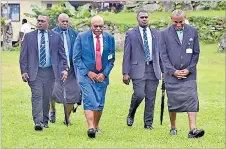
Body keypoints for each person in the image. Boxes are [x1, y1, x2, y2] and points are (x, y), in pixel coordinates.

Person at [160, 9, 205, 138]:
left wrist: (189, 69)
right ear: (171, 20)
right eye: (176, 22)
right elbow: (163, 55)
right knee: (173, 101)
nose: (178, 25)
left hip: (189, 74)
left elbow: (196, 53)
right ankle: (173, 127)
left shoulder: (193, 31)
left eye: (181, 22)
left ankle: (193, 129)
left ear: (185, 19)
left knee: (192, 99)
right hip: (171, 74)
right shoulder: (163, 34)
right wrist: (173, 71)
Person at [19, 14, 69, 131]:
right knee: (37, 96)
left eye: (42, 21)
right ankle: (38, 121)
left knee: (46, 97)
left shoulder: (56, 37)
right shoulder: (29, 36)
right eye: (38, 21)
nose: (39, 23)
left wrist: (65, 69)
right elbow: (23, 56)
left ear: (48, 23)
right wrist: (24, 71)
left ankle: (45, 120)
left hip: (50, 72)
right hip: (34, 72)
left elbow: (62, 55)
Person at [73, 15, 115, 138]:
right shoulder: (81, 37)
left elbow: (111, 59)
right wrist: (88, 72)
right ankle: (90, 127)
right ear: (91, 26)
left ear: (103, 26)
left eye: (100, 26)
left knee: (99, 102)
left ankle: (96, 126)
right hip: (86, 75)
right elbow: (76, 58)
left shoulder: (109, 38)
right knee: (89, 99)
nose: (97, 28)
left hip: (102, 76)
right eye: (95, 26)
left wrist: (104, 73)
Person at [122, 9, 162, 130]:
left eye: (146, 17)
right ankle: (131, 113)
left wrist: (164, 70)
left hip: (153, 69)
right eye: (142, 17)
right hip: (137, 69)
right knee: (139, 94)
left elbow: (160, 53)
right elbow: (127, 54)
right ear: (137, 19)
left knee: (151, 98)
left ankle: (148, 124)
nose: (144, 19)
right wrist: (125, 72)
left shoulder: (156, 33)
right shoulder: (131, 34)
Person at [49, 13, 81, 125]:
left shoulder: (75, 34)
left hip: (72, 68)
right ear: (58, 22)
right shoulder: (52, 34)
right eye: (63, 21)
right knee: (52, 91)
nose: (65, 23)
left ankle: (67, 117)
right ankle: (52, 110)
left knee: (74, 91)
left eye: (67, 21)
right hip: (56, 68)